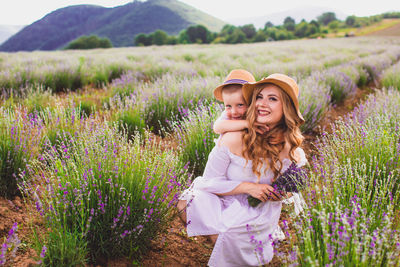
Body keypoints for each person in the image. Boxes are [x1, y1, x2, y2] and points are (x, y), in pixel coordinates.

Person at [177, 73, 307, 266]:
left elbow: (292, 192)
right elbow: (207, 182)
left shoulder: (292, 149)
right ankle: (221, 246)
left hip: (261, 211)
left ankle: (239, 248)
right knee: (188, 201)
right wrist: (247, 187)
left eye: (272, 99)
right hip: (228, 199)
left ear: (286, 108)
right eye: (259, 97)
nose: (262, 104)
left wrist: (281, 194)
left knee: (235, 234)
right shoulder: (232, 137)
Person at [212, 69, 268, 139]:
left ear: (252, 102)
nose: (234, 112)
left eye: (240, 105)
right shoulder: (226, 116)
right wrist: (246, 124)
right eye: (228, 106)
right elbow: (217, 127)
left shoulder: (258, 113)